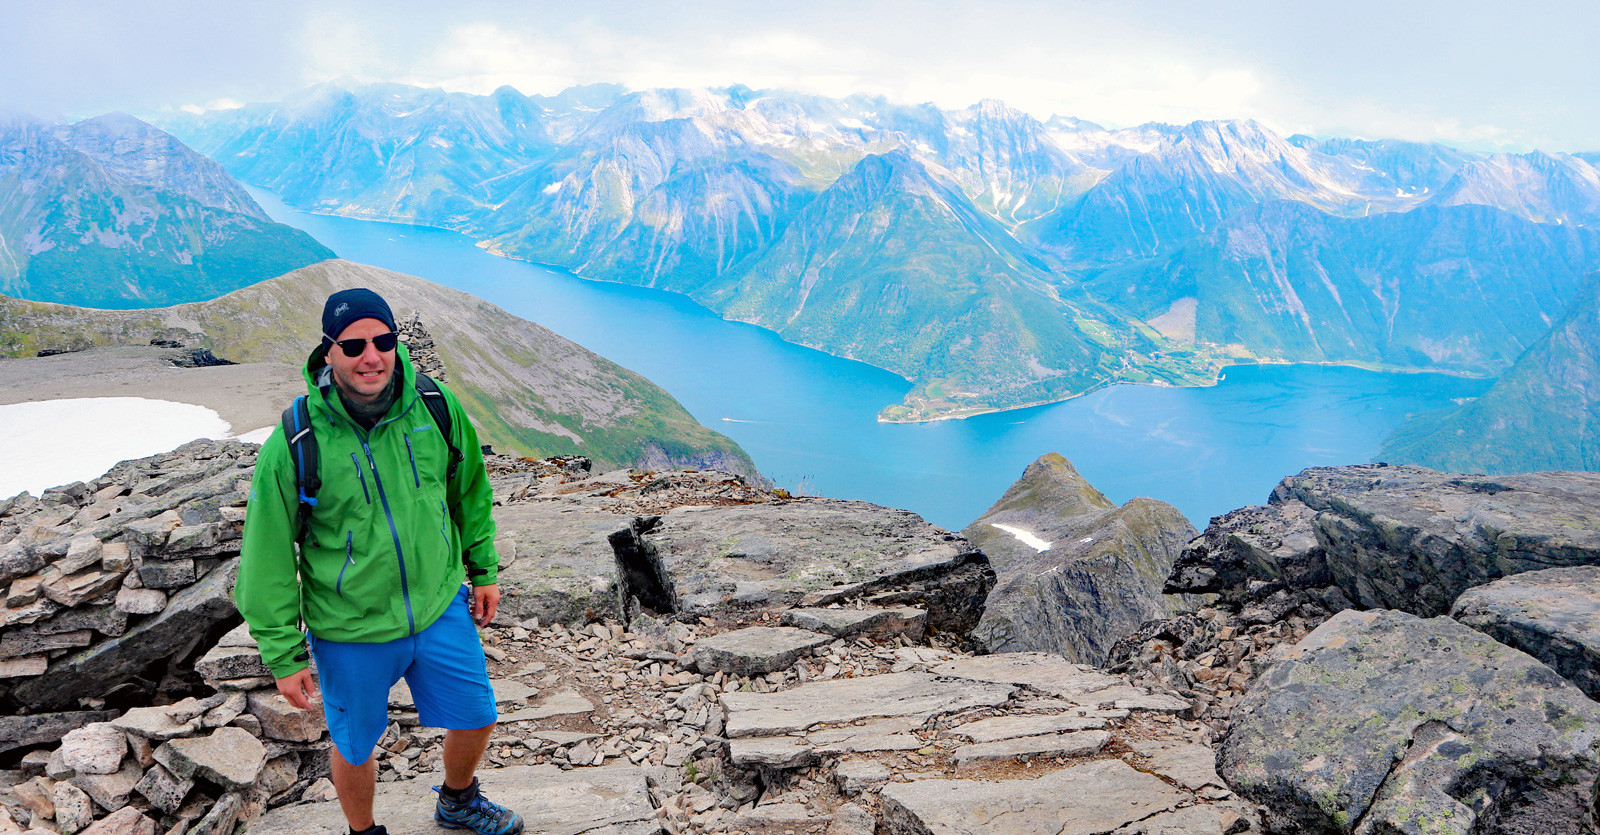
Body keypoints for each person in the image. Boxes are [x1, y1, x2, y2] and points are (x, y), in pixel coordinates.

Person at [236, 288, 524, 835]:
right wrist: (282, 651)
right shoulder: (295, 442)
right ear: (328, 353)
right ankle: (364, 833)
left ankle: (458, 800)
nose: (372, 356)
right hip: (350, 625)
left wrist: (482, 569)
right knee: (355, 742)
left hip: (439, 604)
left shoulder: (435, 406)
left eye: (383, 340)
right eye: (354, 345)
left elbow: (468, 492)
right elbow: (267, 553)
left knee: (477, 715)